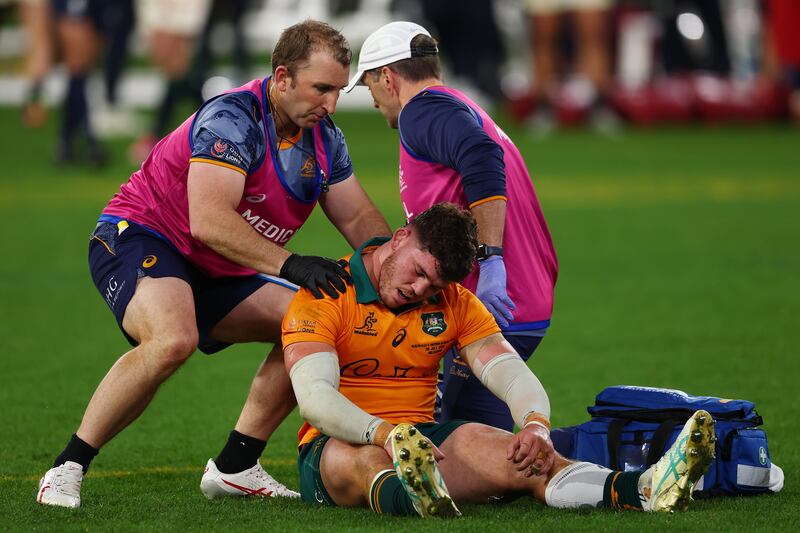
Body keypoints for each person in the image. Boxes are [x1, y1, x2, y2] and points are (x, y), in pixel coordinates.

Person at [36, 19, 391, 509]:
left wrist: (397, 263)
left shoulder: (325, 140)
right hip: (143, 236)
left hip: (220, 265)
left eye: (338, 91)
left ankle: (235, 466)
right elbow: (208, 222)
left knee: (316, 323)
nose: (330, 105)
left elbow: (358, 216)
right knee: (173, 338)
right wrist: (292, 265)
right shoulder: (233, 119)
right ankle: (66, 466)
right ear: (283, 77)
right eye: (321, 89)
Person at [282, 203, 715, 517]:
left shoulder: (454, 302)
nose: (420, 290)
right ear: (399, 238)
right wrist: (386, 434)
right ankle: (413, 497)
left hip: (425, 439)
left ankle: (642, 490)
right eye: (418, 272)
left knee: (525, 459)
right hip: (336, 447)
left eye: (434, 285)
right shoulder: (327, 292)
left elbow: (508, 370)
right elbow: (315, 399)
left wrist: (535, 425)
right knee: (365, 460)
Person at [344, 21, 557, 432]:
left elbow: (480, 155)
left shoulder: (422, 111)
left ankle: (616, 460)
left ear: (387, 77)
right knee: (484, 446)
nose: (373, 101)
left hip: (494, 305)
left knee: (462, 450)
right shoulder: (462, 107)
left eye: (369, 86)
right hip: (522, 300)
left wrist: (491, 260)